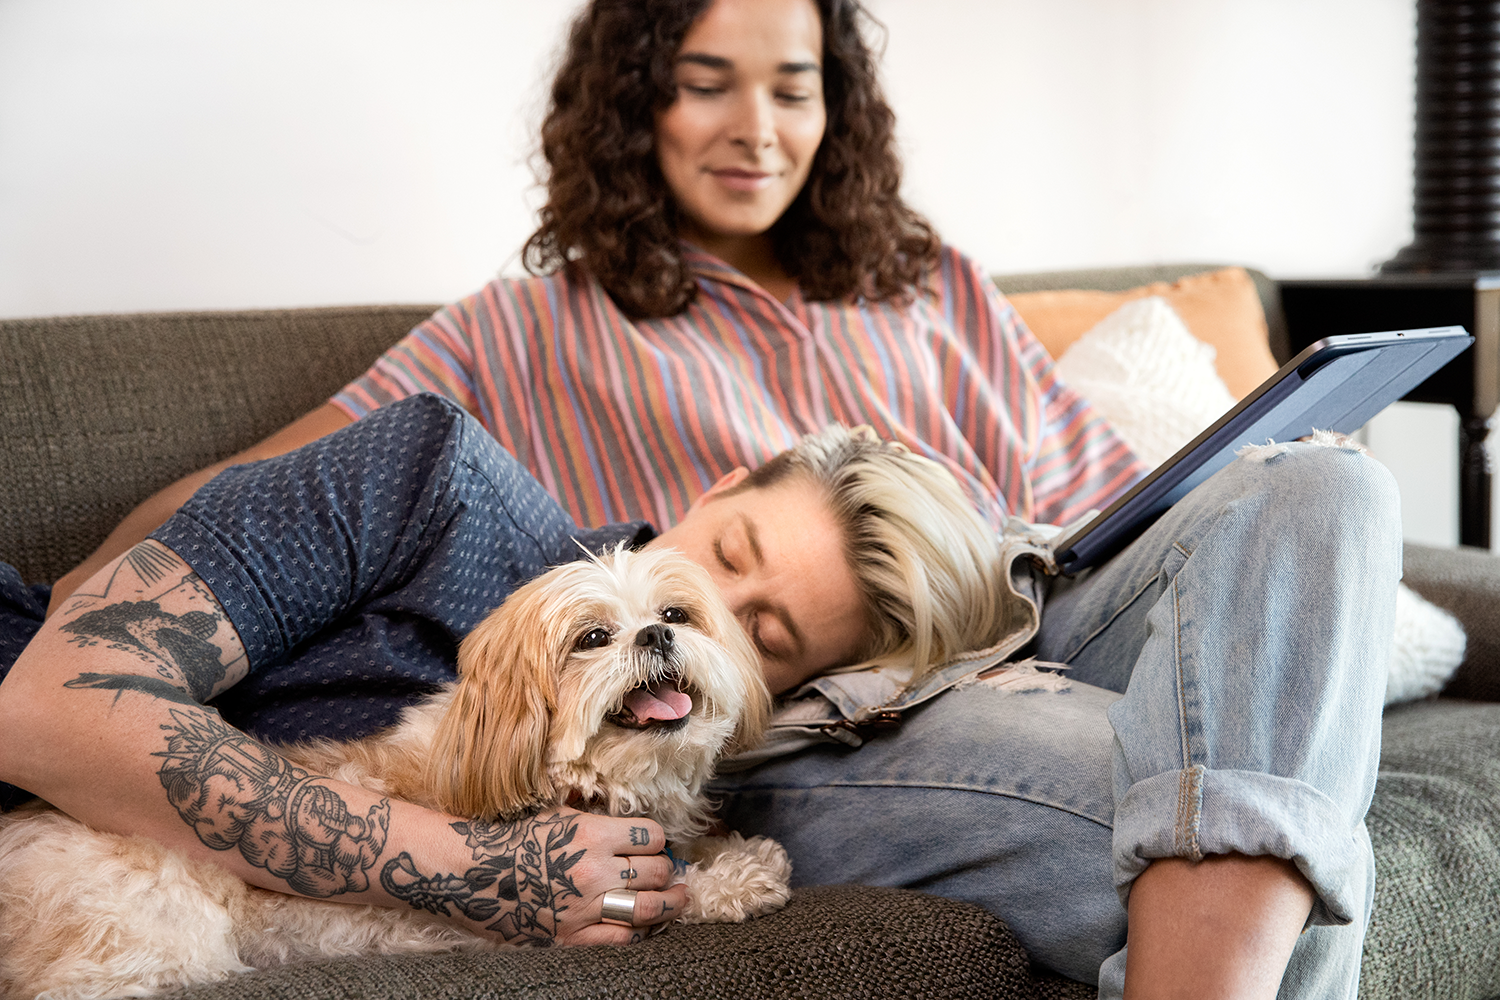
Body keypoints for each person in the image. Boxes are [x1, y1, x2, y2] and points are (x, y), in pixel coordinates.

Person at [11, 0, 1399, 996]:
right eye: (705, 79)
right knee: (1253, 838)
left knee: (1318, 485)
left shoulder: (935, 287)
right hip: (825, 724)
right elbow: (269, 489)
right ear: (637, 99)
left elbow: (1110, 506)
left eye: (793, 85)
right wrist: (100, 592)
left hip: (1021, 602)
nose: (758, 127)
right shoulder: (528, 333)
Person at [0, 394, 1010, 947]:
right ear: (723, 482)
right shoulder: (430, 475)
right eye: (734, 550)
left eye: (767, 634)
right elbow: (38, 709)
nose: (698, 608)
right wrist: (487, 872)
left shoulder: (673, 759)